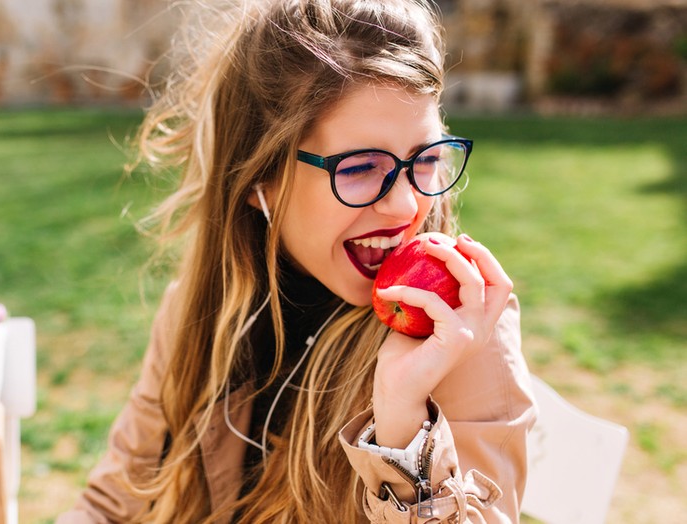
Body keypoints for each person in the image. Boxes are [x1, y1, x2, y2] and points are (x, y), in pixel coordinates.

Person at [58, 0, 536, 522]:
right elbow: (115, 500)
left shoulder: (461, 329)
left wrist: (403, 422)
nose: (405, 206)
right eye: (359, 167)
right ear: (256, 176)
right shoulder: (201, 312)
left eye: (423, 159)